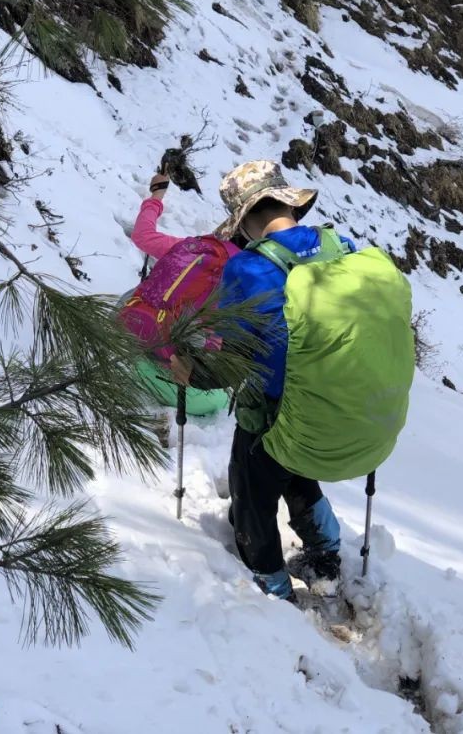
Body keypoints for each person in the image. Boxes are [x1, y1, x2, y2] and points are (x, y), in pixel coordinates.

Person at [212, 160, 355, 602]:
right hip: (336, 399)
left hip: (274, 408)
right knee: (296, 470)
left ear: (246, 219)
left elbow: (230, 351)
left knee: (251, 488)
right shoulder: (340, 245)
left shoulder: (247, 269)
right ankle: (326, 554)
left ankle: (273, 586)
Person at [120, 171, 239, 417]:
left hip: (137, 362)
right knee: (224, 393)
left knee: (138, 293)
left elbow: (142, 235)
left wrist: (157, 194)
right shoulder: (247, 276)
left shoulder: (187, 249)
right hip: (187, 390)